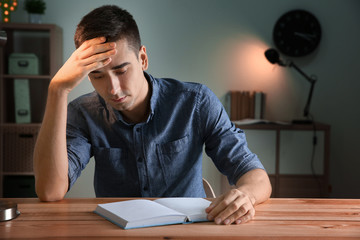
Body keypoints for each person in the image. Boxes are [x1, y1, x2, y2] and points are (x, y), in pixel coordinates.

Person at [33, 5, 271, 225]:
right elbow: (50, 191)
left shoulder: (195, 102)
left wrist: (245, 195)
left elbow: (255, 175)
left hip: (187, 231)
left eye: (121, 70)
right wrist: (58, 90)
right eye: (97, 75)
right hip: (116, 233)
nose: (113, 88)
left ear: (143, 58)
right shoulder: (83, 113)